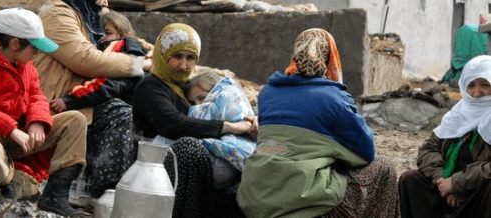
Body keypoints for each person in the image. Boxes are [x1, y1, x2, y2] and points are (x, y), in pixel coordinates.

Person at [236, 28, 399, 218]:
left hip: (255, 198)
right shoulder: (335, 99)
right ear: (331, 58)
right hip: (302, 204)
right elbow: (366, 152)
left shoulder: (267, 93)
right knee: (383, 168)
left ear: (295, 54)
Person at [0, 8, 87, 217]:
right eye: (34, 48)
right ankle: (5, 187)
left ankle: (55, 196)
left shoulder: (25, 65)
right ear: (15, 44)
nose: (37, 53)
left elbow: (37, 96)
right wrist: (12, 128)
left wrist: (37, 121)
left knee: (75, 120)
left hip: (11, 144)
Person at [132, 23, 257, 218]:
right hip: (156, 172)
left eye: (190, 58)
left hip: (200, 177)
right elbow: (174, 124)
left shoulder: (187, 88)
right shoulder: (150, 87)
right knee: (189, 147)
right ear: (163, 56)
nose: (184, 65)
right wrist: (230, 127)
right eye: (177, 57)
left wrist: (251, 121)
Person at [33, 0, 148, 198]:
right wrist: (139, 63)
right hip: (55, 100)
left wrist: (162, 56)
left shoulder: (91, 12)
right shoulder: (57, 13)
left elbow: (131, 39)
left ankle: (107, 192)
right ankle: (103, 193)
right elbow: (85, 60)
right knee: (121, 114)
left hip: (80, 97)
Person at [398, 55, 491, 218]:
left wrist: (457, 184)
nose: (476, 93)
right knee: (409, 179)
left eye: (484, 85)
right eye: (471, 85)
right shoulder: (457, 115)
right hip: (444, 189)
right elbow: (428, 149)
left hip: (477, 193)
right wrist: (441, 181)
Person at [154, 72, 257, 191]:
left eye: (202, 98)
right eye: (192, 103)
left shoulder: (229, 96)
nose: (197, 106)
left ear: (215, 92)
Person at [49, 10, 151, 113]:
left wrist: (69, 101)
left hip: (127, 111)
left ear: (124, 34)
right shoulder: (139, 49)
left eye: (108, 33)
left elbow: (107, 84)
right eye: (98, 32)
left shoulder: (121, 46)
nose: (102, 37)